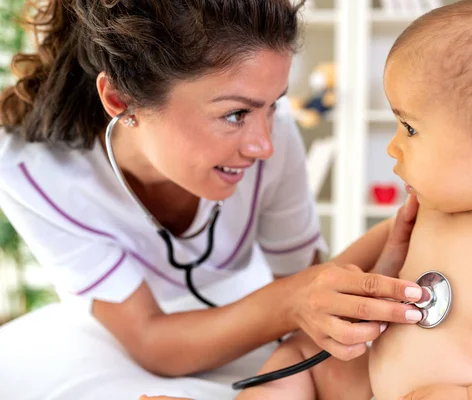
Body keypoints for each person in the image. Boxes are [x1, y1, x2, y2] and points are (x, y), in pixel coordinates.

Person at [0, 0, 428, 398]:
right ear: (120, 99)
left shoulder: (275, 136)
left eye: (272, 106)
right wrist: (292, 301)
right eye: (235, 114)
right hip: (113, 336)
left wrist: (398, 235)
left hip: (243, 303)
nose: (264, 145)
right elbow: (151, 340)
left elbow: (307, 279)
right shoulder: (32, 171)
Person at [233, 0, 472, 399]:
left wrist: (468, 397)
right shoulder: (421, 215)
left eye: (409, 128)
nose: (393, 147)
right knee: (299, 354)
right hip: (374, 388)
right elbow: (326, 286)